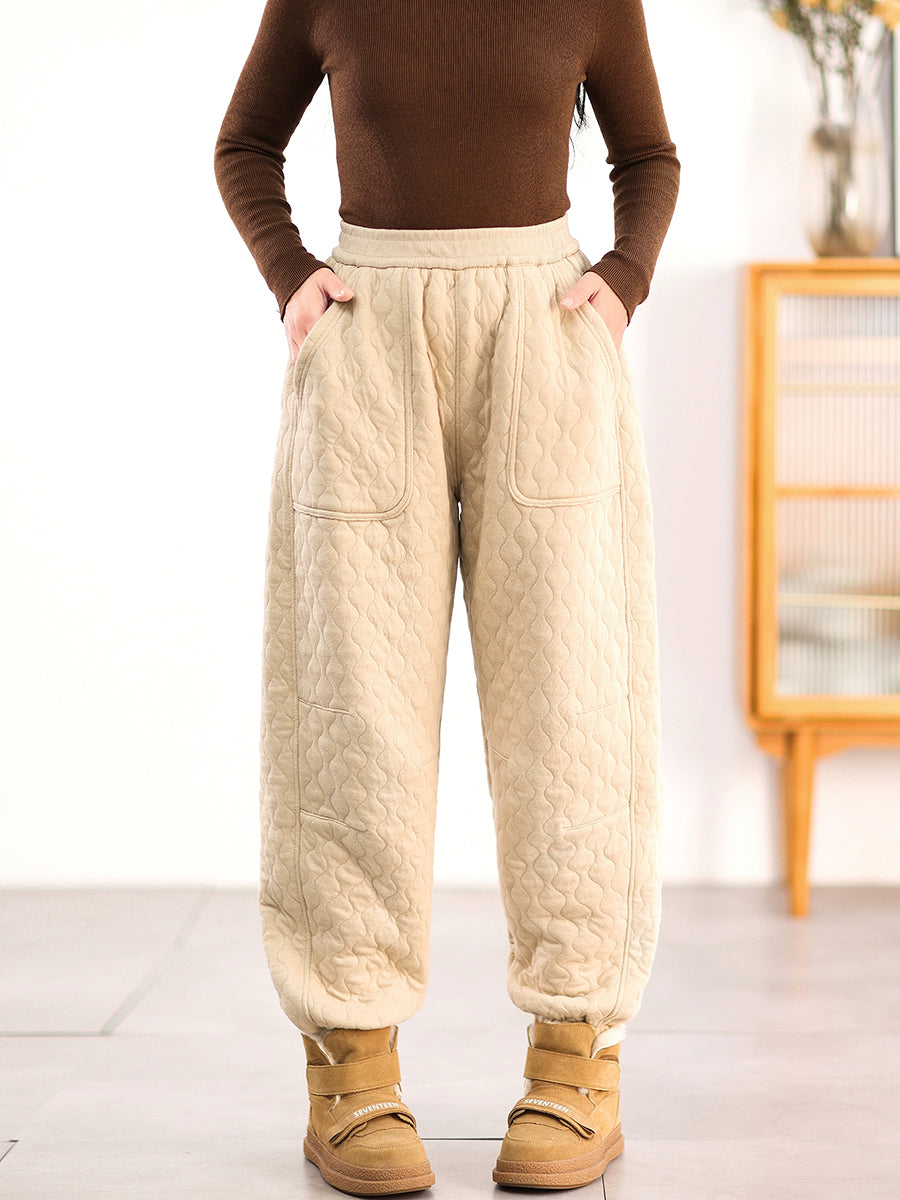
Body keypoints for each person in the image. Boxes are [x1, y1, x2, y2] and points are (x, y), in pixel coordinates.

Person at [214, 0, 679, 1193]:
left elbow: (648, 156)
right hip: (368, 335)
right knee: (354, 713)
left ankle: (576, 1060)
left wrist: (624, 278)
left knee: (570, 704)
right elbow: (245, 145)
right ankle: (351, 1067)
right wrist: (291, 277)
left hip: (547, 332)